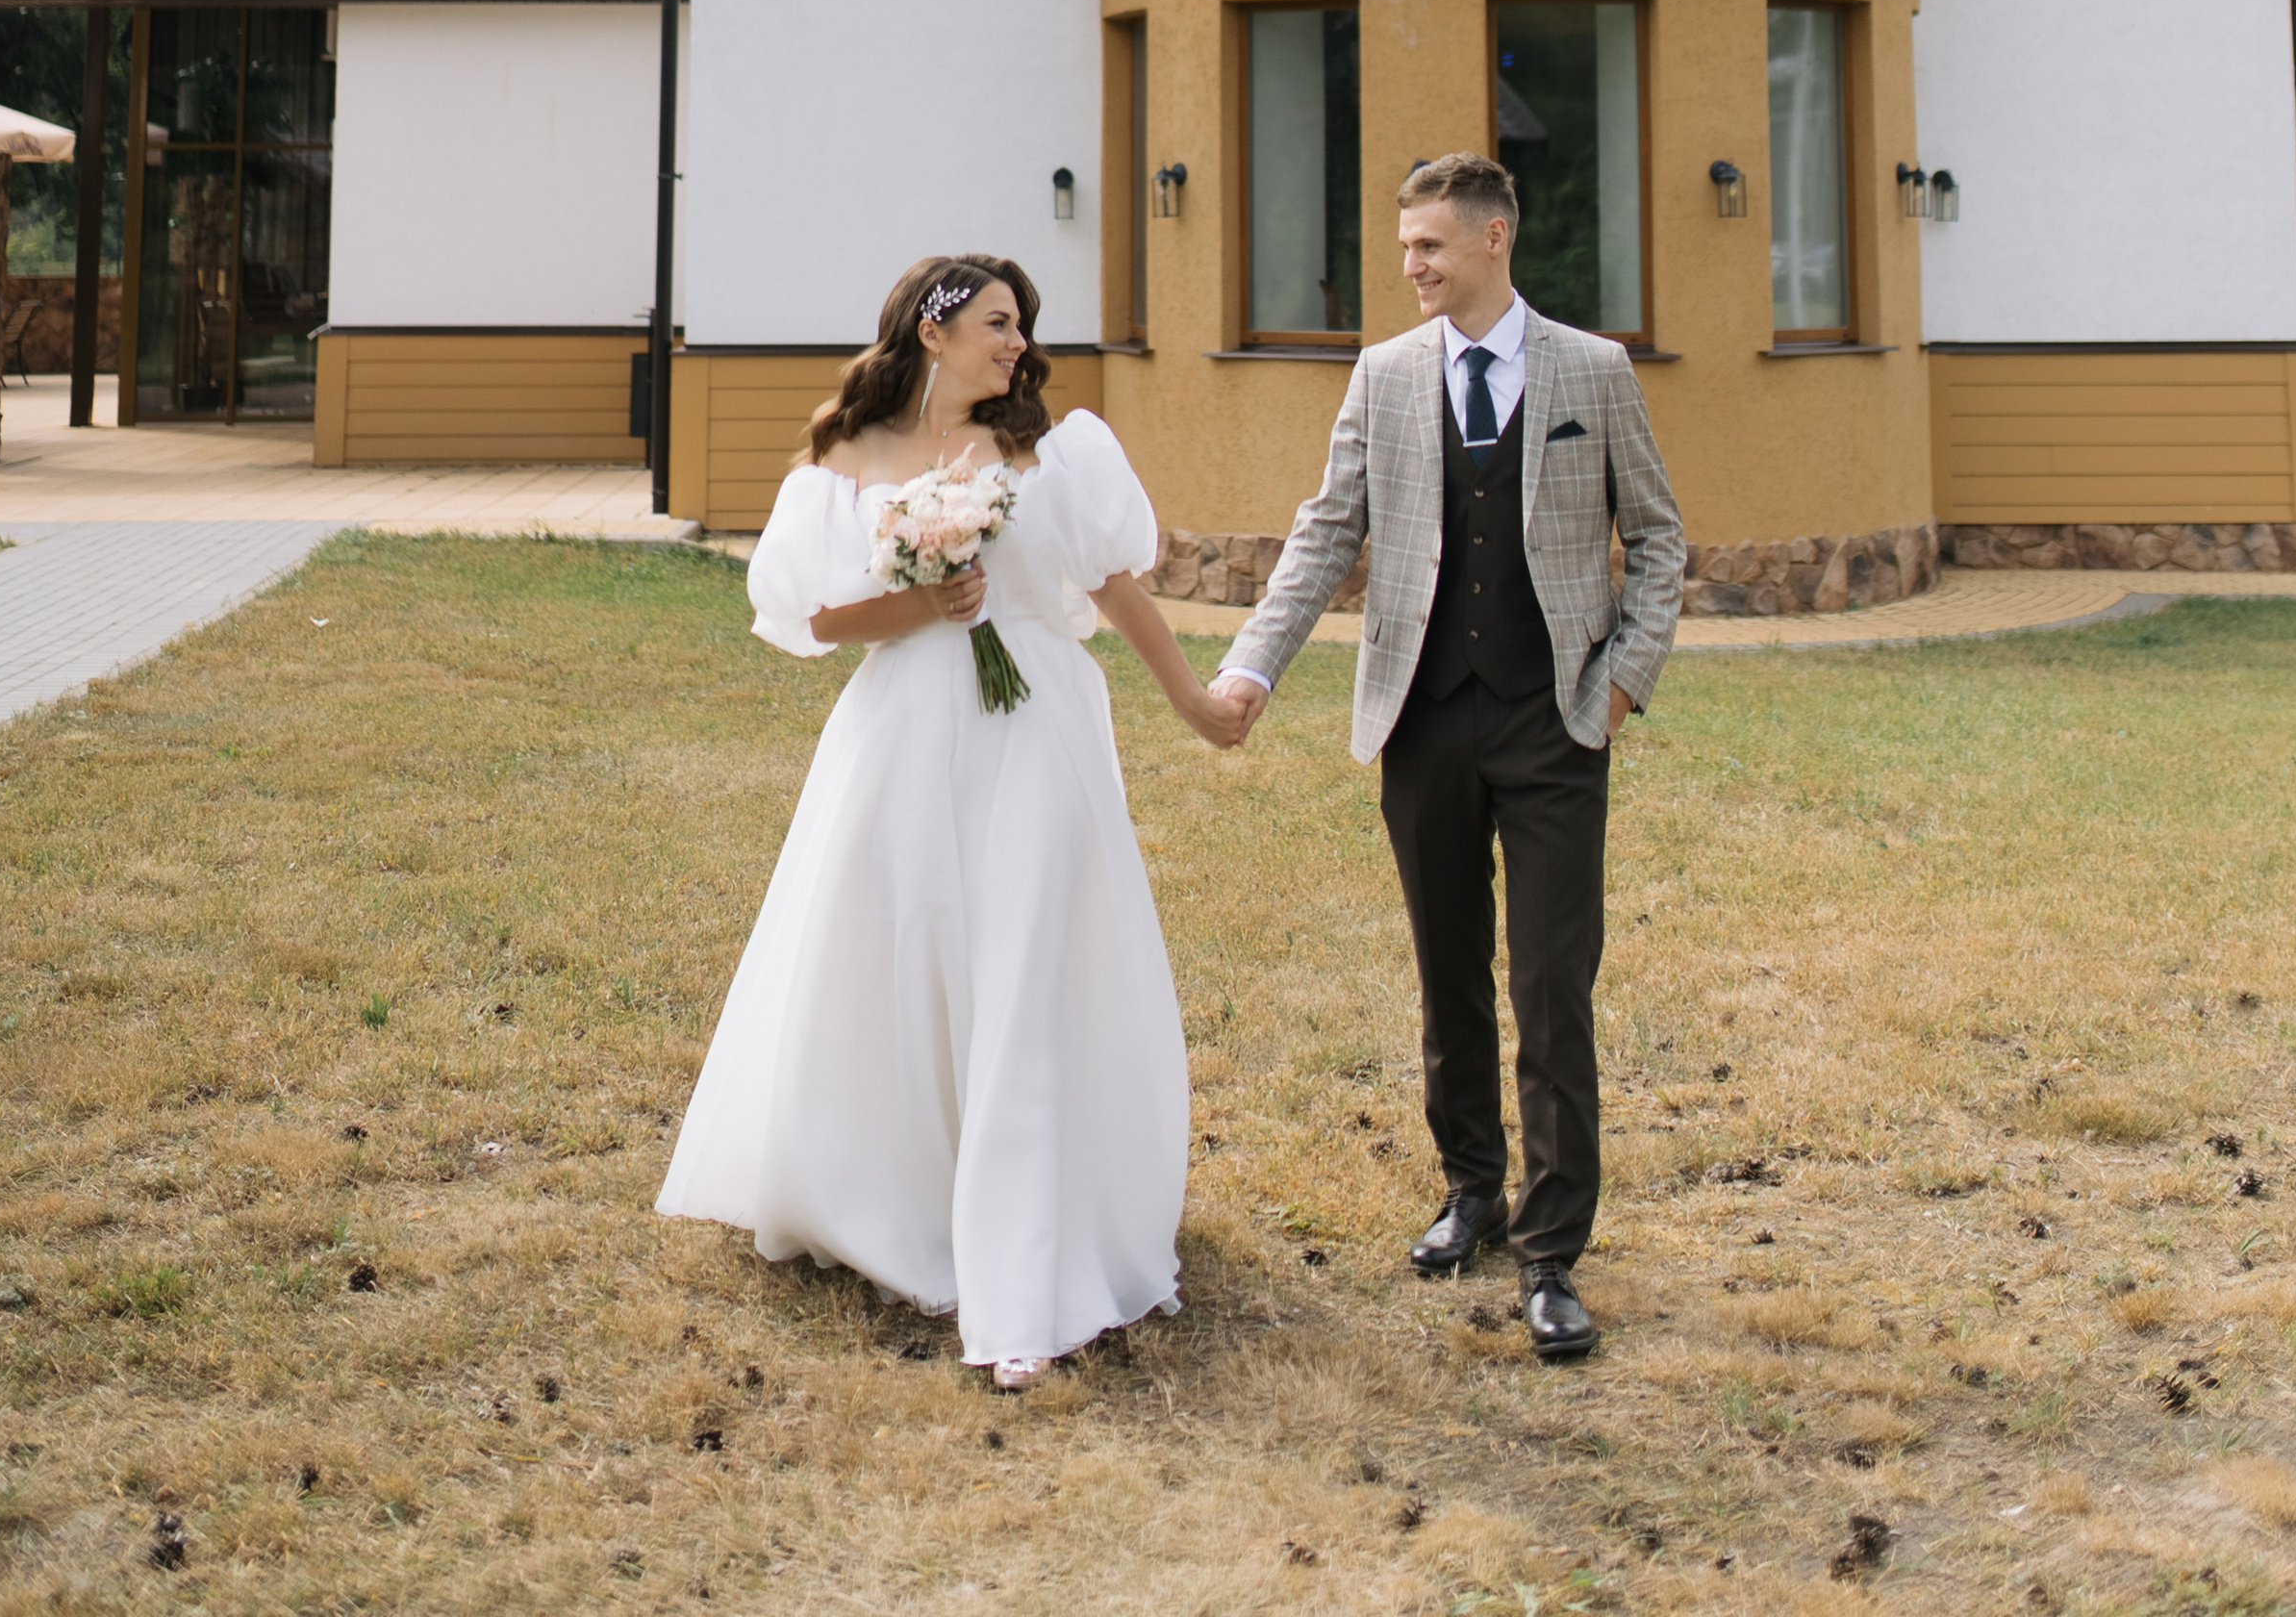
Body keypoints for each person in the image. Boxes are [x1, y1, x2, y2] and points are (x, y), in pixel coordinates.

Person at [656, 251, 1244, 1389]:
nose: (1016, 342)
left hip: (1038, 738)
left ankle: (1029, 1257)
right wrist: (924, 601)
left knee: (1025, 973)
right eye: (995, 322)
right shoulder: (845, 460)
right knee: (905, 962)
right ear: (932, 333)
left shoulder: (1048, 451)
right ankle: (910, 1201)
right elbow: (819, 621)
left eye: (1021, 325)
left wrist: (1191, 701)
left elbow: (1117, 585)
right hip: (907, 736)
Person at [1207, 152, 1684, 1360]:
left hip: (1556, 723)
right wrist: (1253, 668)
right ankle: (1470, 1189)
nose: (1409, 266)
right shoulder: (1383, 375)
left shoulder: (1593, 370)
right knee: (1450, 971)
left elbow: (1662, 541)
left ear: (1492, 239)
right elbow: (1327, 533)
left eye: (1428, 245)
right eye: (1405, 246)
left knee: (1550, 986)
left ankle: (1551, 1249)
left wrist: (1621, 684)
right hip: (1419, 720)